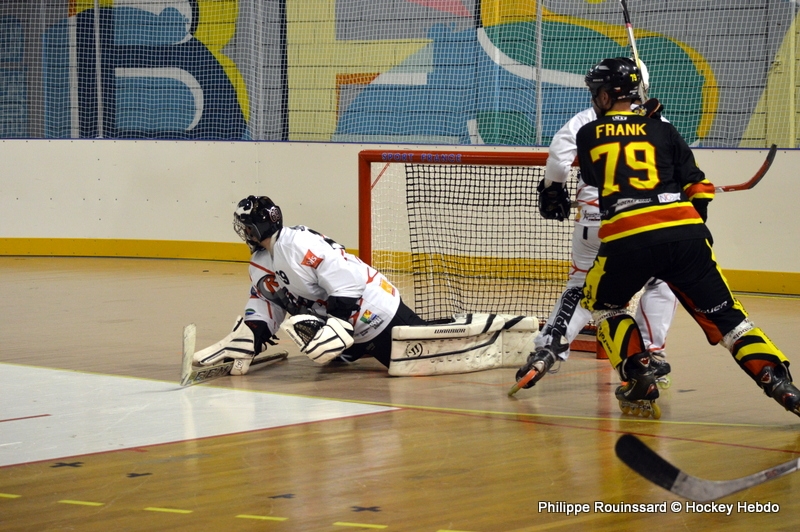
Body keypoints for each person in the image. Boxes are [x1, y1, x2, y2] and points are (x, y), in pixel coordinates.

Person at [564, 56, 799, 419]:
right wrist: (687, 226)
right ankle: (779, 383)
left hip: (627, 240)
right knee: (732, 322)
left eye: (597, 93)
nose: (594, 100)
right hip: (686, 235)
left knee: (605, 305)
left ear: (608, 97)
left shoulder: (588, 133)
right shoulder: (665, 130)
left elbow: (597, 178)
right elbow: (700, 189)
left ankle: (639, 374)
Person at [192, 195, 539, 376]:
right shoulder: (260, 262)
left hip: (375, 311)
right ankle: (353, 347)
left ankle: (493, 330)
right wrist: (249, 337)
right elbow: (269, 300)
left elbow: (348, 277)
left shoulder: (296, 245)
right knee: (306, 328)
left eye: (246, 228)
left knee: (422, 360)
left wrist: (339, 323)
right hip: (348, 330)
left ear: (257, 228)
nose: (245, 235)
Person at [512, 68, 676, 394]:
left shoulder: (585, 120)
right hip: (643, 222)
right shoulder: (656, 122)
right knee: (661, 279)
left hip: (593, 222)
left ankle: (547, 348)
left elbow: (559, 156)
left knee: (581, 287)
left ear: (603, 94)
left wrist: (553, 190)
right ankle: (650, 355)